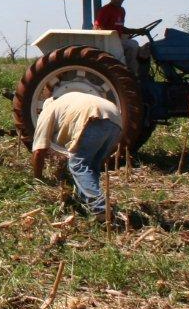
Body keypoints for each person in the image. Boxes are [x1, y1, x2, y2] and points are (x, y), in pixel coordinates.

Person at [30, 91, 122, 222]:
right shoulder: (66, 100)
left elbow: (39, 151)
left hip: (94, 116)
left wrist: (38, 179)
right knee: (91, 167)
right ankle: (88, 203)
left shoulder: (47, 111)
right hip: (116, 118)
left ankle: (100, 208)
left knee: (77, 164)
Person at [94, 0, 146, 75]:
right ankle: (132, 73)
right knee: (133, 45)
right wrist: (111, 37)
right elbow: (98, 27)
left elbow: (121, 28)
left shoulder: (121, 10)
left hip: (118, 39)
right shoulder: (105, 10)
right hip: (109, 41)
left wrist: (137, 31)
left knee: (141, 45)